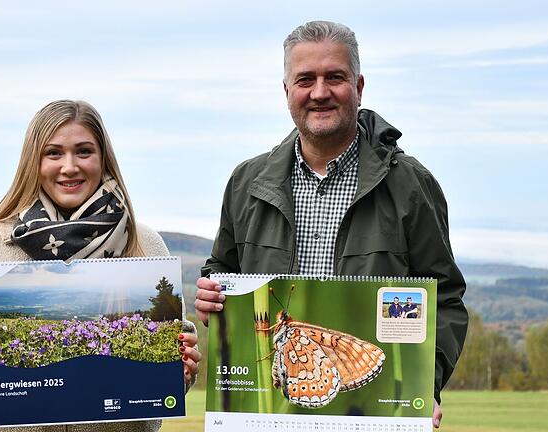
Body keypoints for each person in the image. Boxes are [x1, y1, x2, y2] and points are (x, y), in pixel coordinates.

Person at [194, 21, 467, 428]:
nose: (319, 92)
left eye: (334, 77)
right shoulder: (245, 183)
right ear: (287, 91)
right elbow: (222, 271)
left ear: (358, 86)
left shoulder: (411, 185)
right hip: (265, 415)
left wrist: (424, 383)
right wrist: (211, 297)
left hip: (371, 415)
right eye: (305, 79)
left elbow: (443, 298)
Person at [0, 100, 200, 432]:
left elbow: (172, 358)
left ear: (103, 159)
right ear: (33, 162)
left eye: (83, 151)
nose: (69, 167)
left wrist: (180, 368)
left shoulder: (144, 243)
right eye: (53, 153)